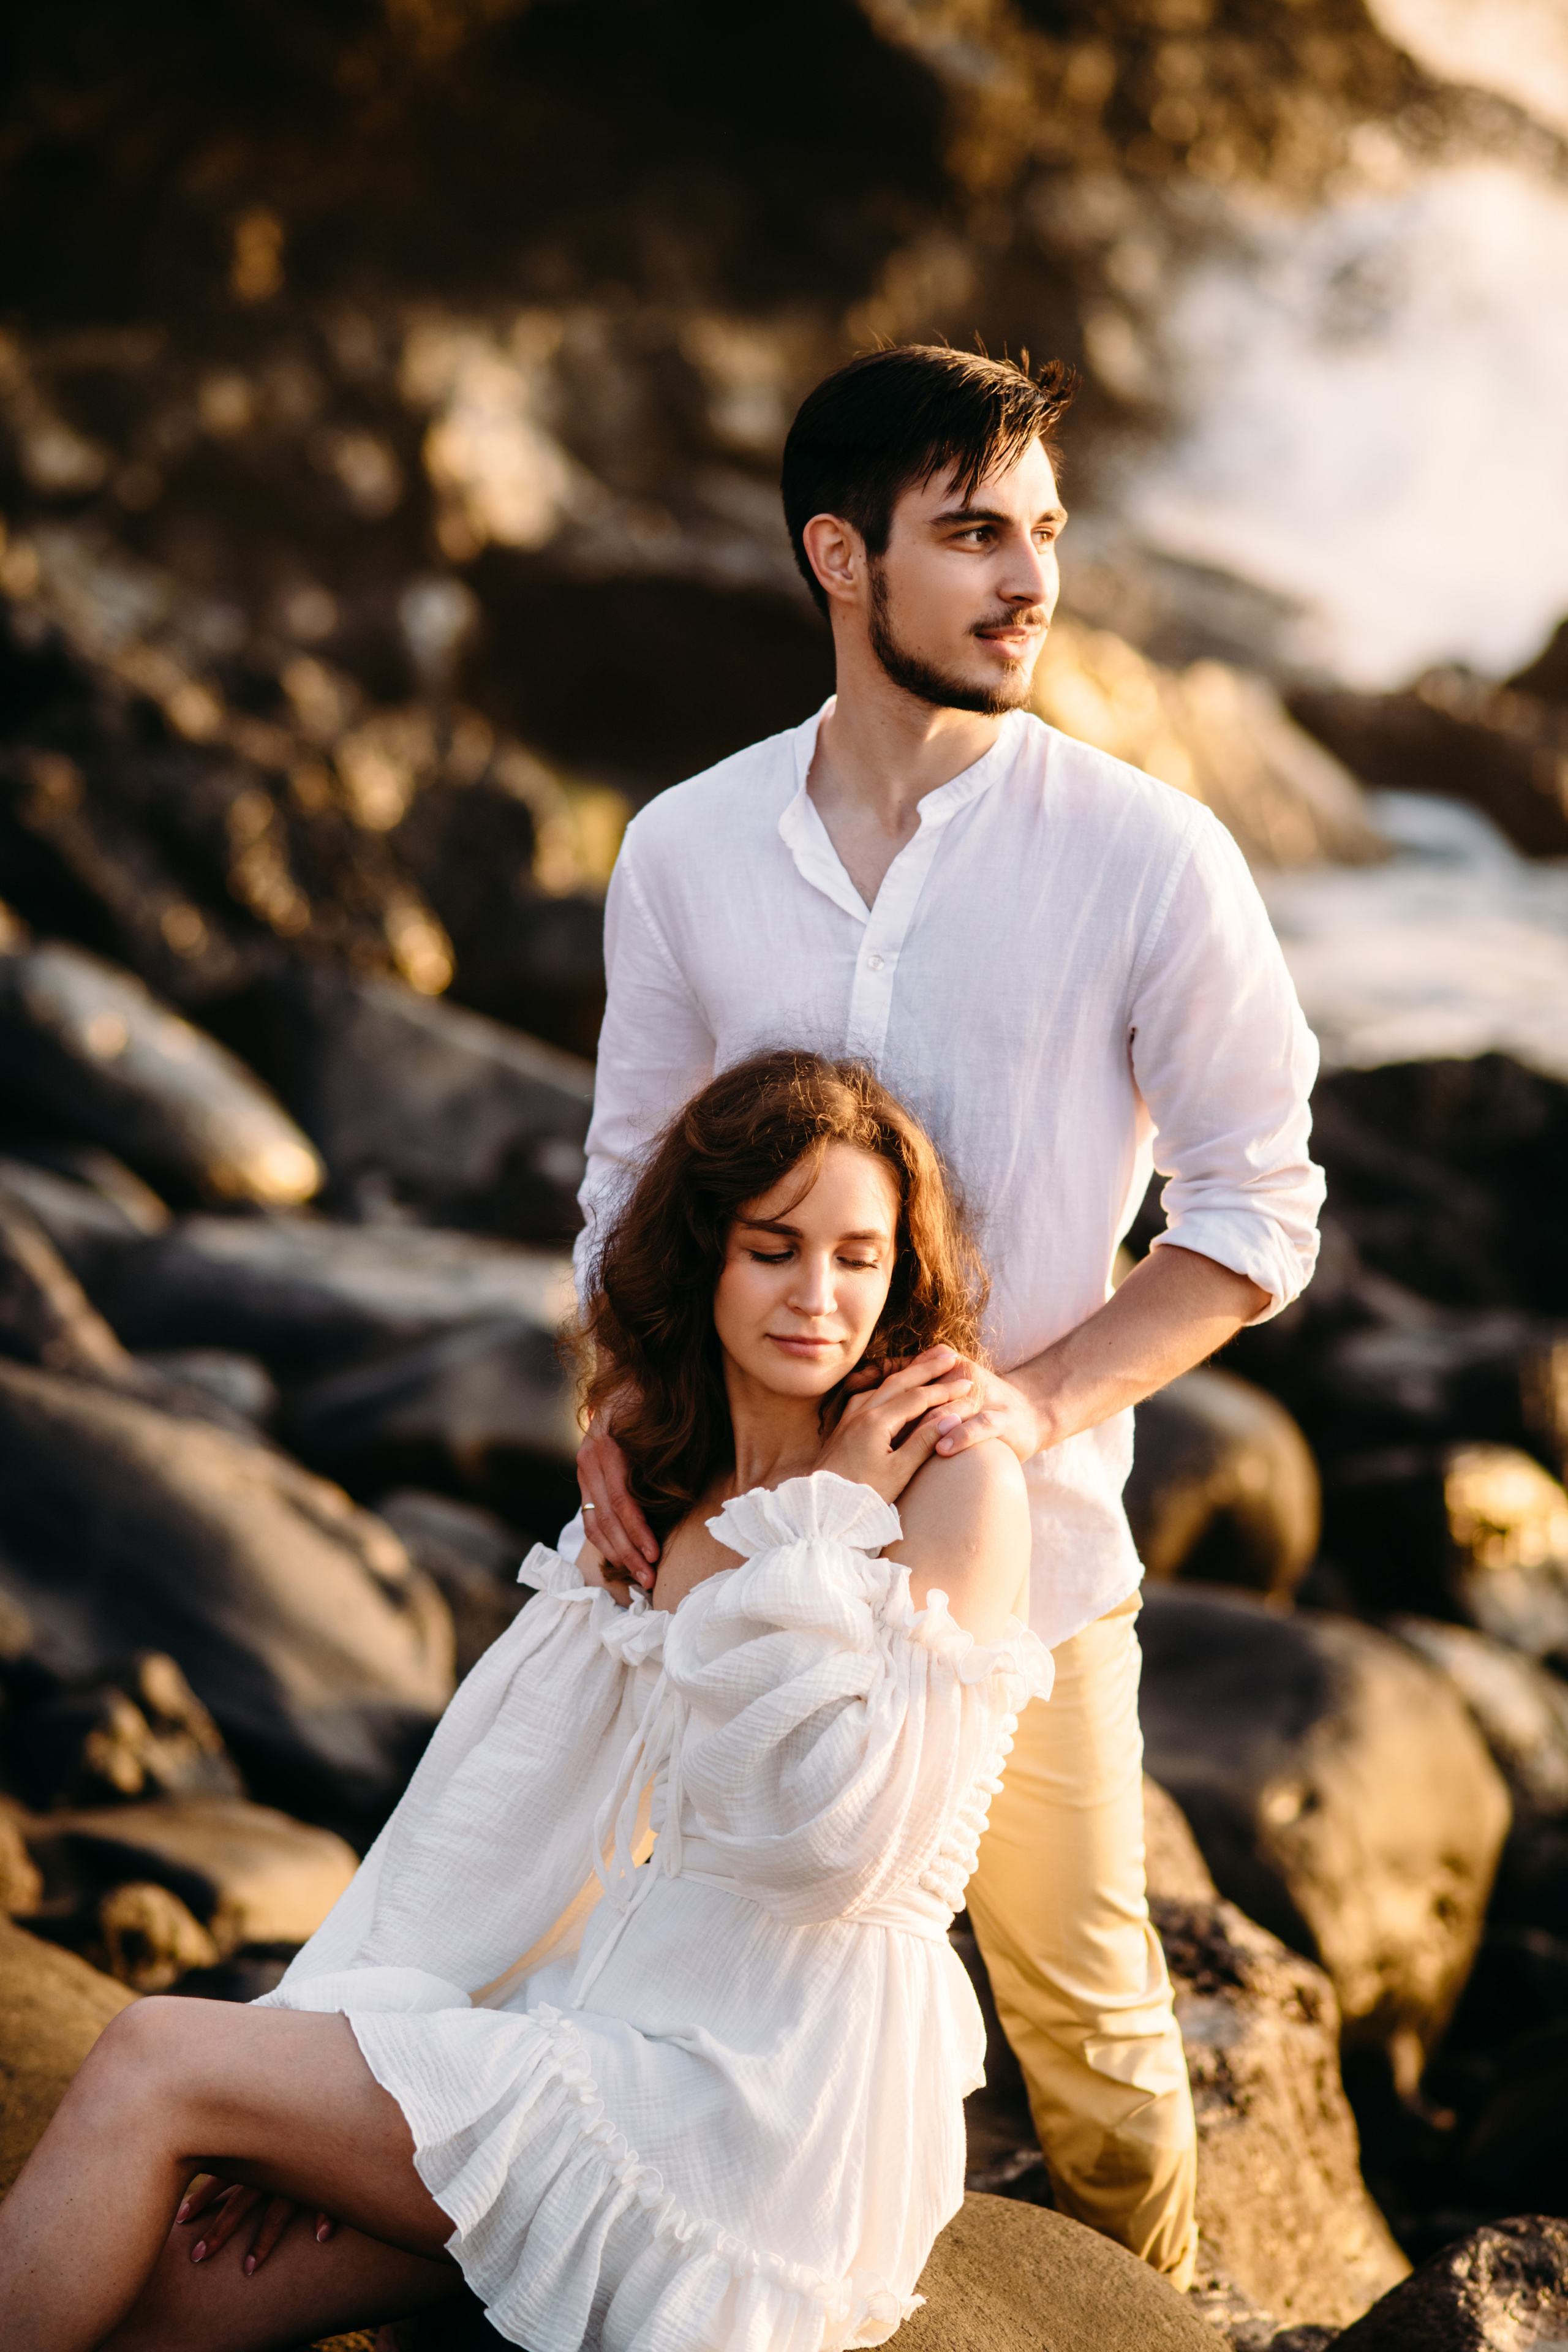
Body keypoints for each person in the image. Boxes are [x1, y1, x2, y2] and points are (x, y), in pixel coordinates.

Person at [573, 344, 1324, 2290]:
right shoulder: (688, 847)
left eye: (1048, 531)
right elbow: (633, 1188)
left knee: (1089, 2033)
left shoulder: (1151, 855)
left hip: (1029, 1578)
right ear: (844, 557)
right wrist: (608, 1405)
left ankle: (1142, 2331)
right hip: (726, 1547)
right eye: (974, 531)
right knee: (645, 1972)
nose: (1032, 580)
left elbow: (1259, 1208)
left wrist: (1030, 1403)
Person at [0, 1050, 1044, 2352]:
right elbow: (499, 1808)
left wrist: (821, 1527)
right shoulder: (660, 1484)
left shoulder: (951, 1490)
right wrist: (311, 2072)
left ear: (903, 1271)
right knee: (167, 2305)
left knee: (155, 2055)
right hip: (591, 2034)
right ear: (702, 1256)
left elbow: (828, 1842)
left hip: (766, 2106)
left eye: (857, 1257)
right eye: (773, 1249)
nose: (817, 1298)